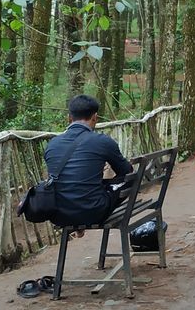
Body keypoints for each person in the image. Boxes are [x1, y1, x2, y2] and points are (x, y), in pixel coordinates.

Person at [44, 95, 133, 229]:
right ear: (95, 117)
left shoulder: (52, 144)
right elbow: (126, 171)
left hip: (59, 215)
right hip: (92, 212)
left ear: (69, 118)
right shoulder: (102, 141)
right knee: (132, 179)